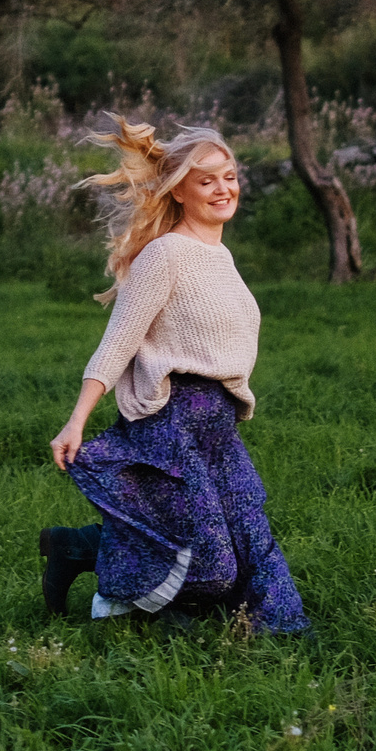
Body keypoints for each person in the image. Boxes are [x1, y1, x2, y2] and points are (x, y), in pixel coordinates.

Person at [41, 119, 310, 634]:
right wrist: (76, 421)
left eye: (228, 176)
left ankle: (286, 636)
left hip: (219, 430)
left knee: (252, 545)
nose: (222, 188)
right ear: (179, 191)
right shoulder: (165, 254)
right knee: (210, 564)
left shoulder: (222, 257)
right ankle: (91, 564)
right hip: (170, 424)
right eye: (205, 179)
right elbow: (118, 340)